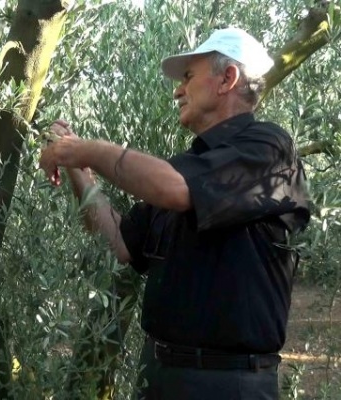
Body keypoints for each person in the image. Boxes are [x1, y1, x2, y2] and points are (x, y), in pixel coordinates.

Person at [39, 27, 310, 400]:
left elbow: (175, 190)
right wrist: (75, 168)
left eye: (188, 77)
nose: (178, 90)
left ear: (227, 79)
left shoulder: (269, 148)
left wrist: (85, 150)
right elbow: (119, 242)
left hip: (229, 385)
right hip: (159, 375)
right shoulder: (186, 167)